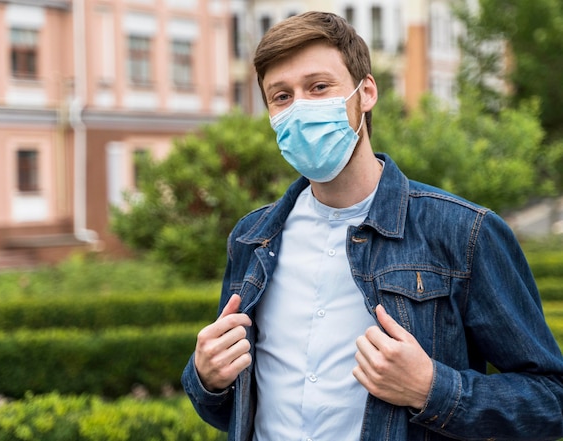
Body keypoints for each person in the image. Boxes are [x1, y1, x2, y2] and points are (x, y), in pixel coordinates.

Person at [182, 10, 563, 441]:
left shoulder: (464, 232)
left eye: (319, 87)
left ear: (366, 93)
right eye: (282, 96)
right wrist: (206, 378)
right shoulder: (252, 237)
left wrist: (430, 390)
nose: (300, 107)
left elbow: (550, 399)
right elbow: (233, 407)